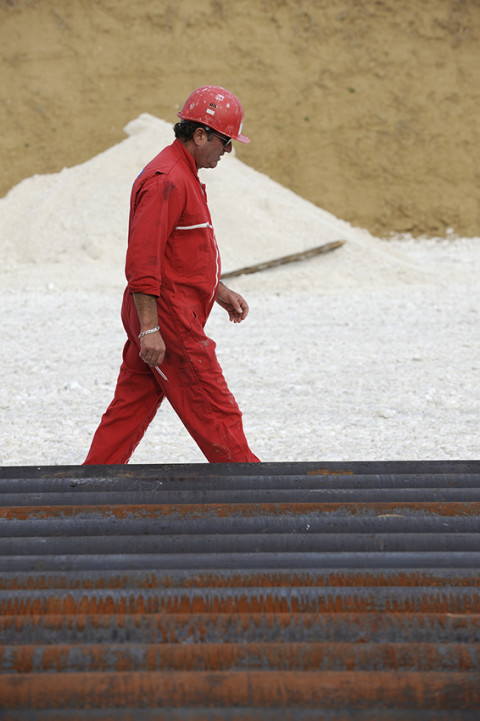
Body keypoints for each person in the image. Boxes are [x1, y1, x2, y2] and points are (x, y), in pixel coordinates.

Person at [84, 86, 260, 464]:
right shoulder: (167, 179)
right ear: (200, 135)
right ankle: (254, 492)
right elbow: (143, 262)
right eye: (225, 141)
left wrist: (218, 289)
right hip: (168, 320)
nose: (228, 150)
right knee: (215, 409)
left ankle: (89, 488)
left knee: (128, 410)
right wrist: (151, 329)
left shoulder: (184, 172)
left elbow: (180, 254)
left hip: (163, 315)